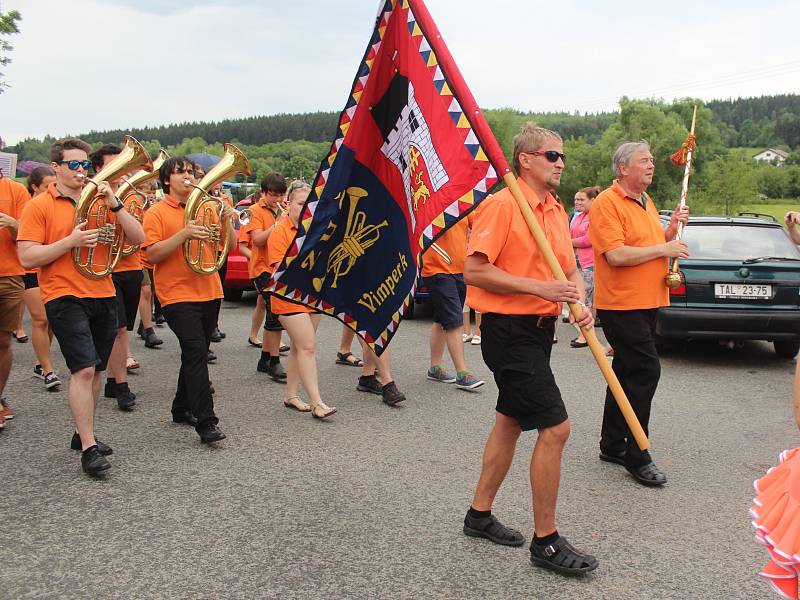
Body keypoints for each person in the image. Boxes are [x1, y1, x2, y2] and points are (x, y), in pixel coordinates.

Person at [461, 124, 597, 576]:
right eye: (552, 155)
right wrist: (541, 287)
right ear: (526, 159)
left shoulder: (556, 210)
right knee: (556, 429)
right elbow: (474, 271)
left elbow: (571, 269)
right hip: (508, 331)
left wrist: (578, 299)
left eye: (561, 156)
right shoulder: (504, 205)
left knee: (510, 421)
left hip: (540, 331)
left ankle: (479, 515)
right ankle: (547, 542)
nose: (560, 163)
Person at [17, 137, 145, 475]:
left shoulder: (102, 200)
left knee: (98, 370)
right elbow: (27, 255)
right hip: (63, 294)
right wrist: (71, 241)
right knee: (83, 369)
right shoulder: (39, 205)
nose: (80, 171)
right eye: (73, 165)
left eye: (84, 165)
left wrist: (116, 204)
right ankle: (89, 448)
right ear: (56, 167)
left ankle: (81, 433)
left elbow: (138, 239)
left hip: (102, 290)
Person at [589, 141, 689, 487]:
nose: (651, 165)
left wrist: (670, 229)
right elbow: (616, 255)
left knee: (626, 371)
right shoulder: (606, 203)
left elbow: (647, 244)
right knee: (646, 369)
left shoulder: (645, 200)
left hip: (646, 300)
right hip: (621, 304)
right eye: (643, 161)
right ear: (623, 169)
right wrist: (665, 247)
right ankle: (637, 454)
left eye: (651, 160)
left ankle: (612, 444)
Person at [142, 156, 229, 443]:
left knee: (196, 352)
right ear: (167, 180)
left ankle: (180, 408)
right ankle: (207, 422)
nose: (188, 177)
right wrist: (184, 233)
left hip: (209, 289)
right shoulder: (156, 212)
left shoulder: (205, 207)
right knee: (196, 352)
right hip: (177, 293)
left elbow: (225, 247)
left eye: (191, 172)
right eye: (181, 173)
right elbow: (151, 254)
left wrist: (226, 222)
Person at [266, 181, 336, 418]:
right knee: (307, 346)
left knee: (299, 346)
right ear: (288, 204)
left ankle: (291, 396)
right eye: (301, 203)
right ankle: (317, 402)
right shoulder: (279, 232)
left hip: (311, 295)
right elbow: (279, 271)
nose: (307, 208)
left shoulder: (316, 229)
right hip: (287, 296)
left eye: (311, 204)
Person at [89, 144, 141, 412]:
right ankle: (121, 385)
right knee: (118, 330)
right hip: (106, 271)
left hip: (131, 267)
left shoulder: (129, 195)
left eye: (123, 167)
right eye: (113, 167)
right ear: (98, 169)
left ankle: (111, 379)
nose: (120, 173)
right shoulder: (90, 198)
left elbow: (138, 236)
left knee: (123, 329)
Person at [422, 214, 484, 391]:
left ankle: (435, 368)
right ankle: (462, 373)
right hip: (438, 269)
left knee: (441, 319)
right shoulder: (435, 201)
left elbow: (478, 224)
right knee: (453, 319)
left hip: (459, 268)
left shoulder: (461, 200)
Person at [242, 173, 288, 382]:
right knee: (274, 311)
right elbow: (258, 240)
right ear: (263, 192)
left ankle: (265, 359)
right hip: (261, 269)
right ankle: (274, 361)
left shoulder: (284, 210)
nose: (277, 199)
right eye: (273, 195)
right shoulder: (253, 211)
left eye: (280, 195)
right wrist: (277, 225)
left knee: (274, 311)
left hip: (278, 267)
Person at [19, 167, 61, 391]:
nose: (51, 189)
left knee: (52, 318)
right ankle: (47, 369)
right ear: (35, 187)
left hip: (51, 268)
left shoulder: (56, 205)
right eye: (47, 185)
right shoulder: (29, 206)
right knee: (40, 319)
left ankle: (39, 362)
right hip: (29, 270)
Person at [0, 171, 31, 429]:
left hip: (9, 273)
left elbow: (28, 235)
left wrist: (12, 222)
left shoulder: (15, 190)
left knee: (3, 340)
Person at [568, 186, 600, 348]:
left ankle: (585, 335)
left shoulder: (595, 217)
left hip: (590, 263)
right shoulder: (580, 216)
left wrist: (567, 243)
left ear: (593, 200)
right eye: (576, 199)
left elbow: (589, 239)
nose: (577, 202)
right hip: (578, 262)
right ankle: (585, 334)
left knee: (586, 300)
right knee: (583, 299)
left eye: (581, 199)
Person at [136, 180, 163, 350]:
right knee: (145, 291)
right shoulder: (136, 208)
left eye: (153, 192)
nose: (151, 195)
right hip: (138, 257)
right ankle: (149, 331)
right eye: (147, 191)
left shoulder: (154, 210)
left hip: (152, 258)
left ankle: (142, 324)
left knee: (151, 292)